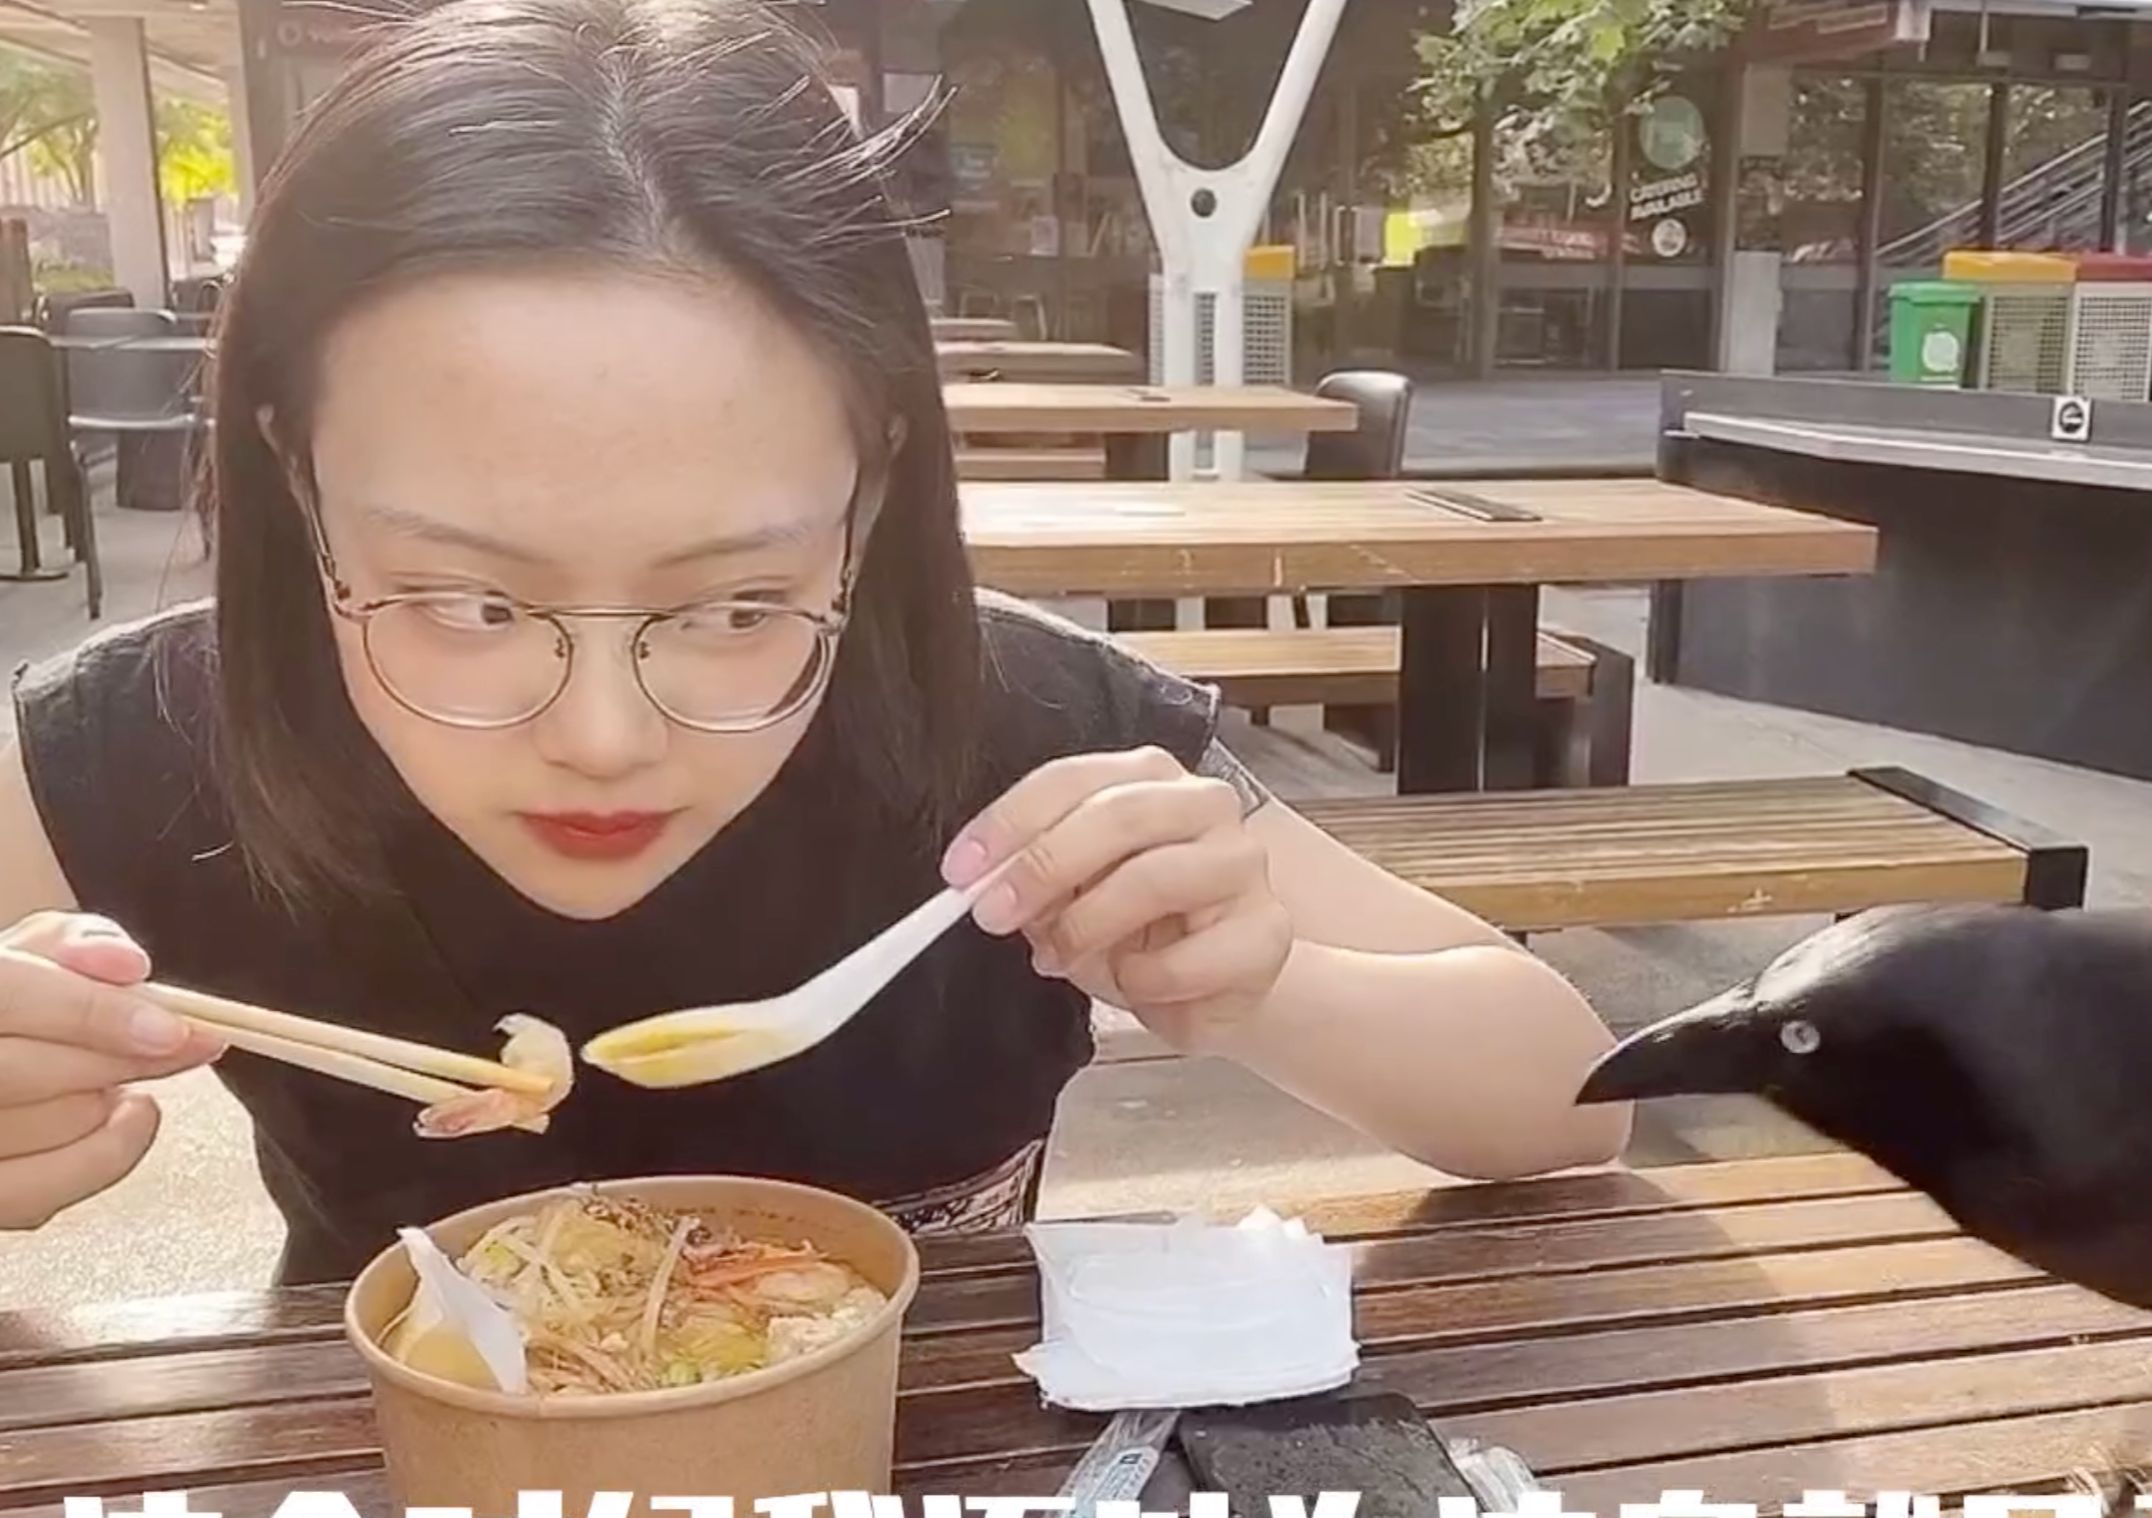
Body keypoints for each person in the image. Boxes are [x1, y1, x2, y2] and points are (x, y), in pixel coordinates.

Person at [0, 0, 1628, 1282]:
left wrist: (1265, 985)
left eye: (732, 604)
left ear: (873, 489)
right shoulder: (149, 744)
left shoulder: (1019, 733)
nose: (604, 738)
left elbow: (1579, 1100)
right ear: (292, 472)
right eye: (470, 603)